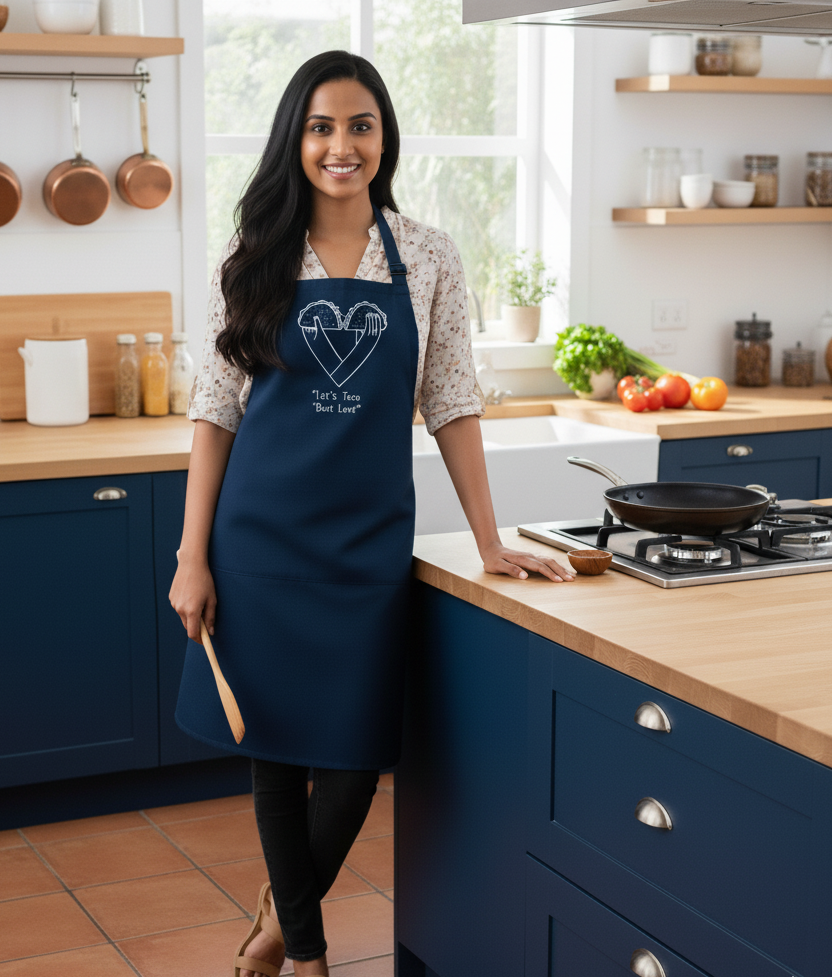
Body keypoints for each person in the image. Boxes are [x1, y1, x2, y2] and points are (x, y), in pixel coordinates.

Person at [168, 49, 575, 977]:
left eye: (360, 126)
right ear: (295, 140)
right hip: (259, 541)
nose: (341, 145)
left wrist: (490, 539)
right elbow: (215, 410)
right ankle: (303, 954)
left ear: (384, 138)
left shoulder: (426, 253)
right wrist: (193, 554)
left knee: (353, 757)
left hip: (365, 547)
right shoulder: (252, 255)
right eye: (321, 127)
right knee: (275, 755)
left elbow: (453, 399)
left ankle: (284, 903)